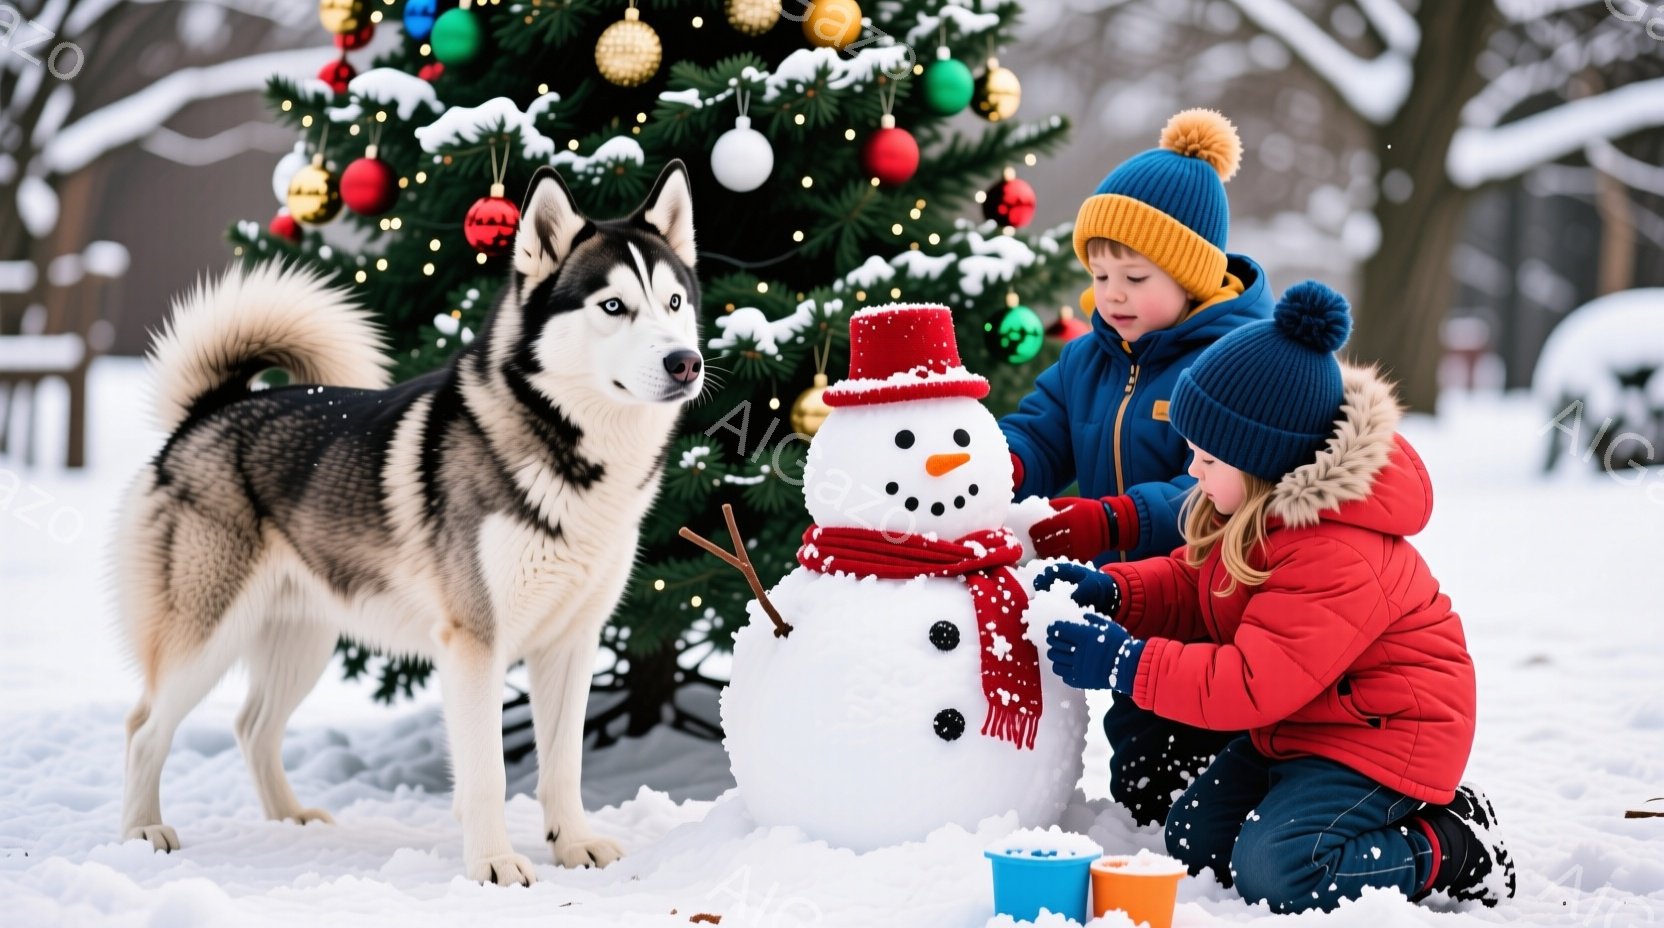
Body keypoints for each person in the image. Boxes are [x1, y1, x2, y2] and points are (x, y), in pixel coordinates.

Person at [1039, 281, 1516, 912]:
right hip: (1302, 722)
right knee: (1194, 839)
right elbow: (1196, 582)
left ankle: (1452, 844)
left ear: (1263, 460)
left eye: (1208, 458)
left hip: (1382, 738)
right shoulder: (1250, 511)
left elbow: (1251, 681)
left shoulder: (1336, 553)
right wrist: (1115, 592)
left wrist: (1127, 663)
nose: (1192, 471)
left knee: (1280, 870)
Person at [1001, 107, 1272, 824]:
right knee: (1145, 780)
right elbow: (1040, 433)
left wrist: (1115, 520)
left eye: (1134, 275)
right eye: (1099, 273)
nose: (1112, 292)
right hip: (1126, 607)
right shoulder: (1087, 361)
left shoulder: (1231, 362)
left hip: (1217, 610)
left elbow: (1219, 490)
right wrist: (997, 468)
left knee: (1212, 766)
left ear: (1191, 276)